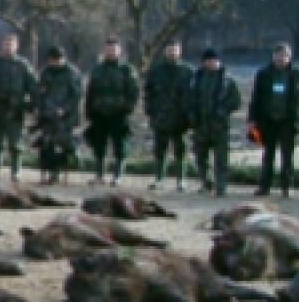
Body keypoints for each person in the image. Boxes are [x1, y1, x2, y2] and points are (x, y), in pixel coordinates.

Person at [248, 42, 299, 198]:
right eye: (278, 55)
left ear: (290, 57)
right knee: (268, 155)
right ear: (273, 56)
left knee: (287, 156)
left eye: (284, 55)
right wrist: (252, 118)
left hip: (288, 121)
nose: (281, 58)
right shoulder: (263, 74)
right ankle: (264, 187)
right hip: (268, 121)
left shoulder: (298, 75)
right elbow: (256, 97)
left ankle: (286, 187)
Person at [0, 33, 38, 180]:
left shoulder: (23, 65)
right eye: (6, 44)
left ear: (16, 46)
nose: (8, 47)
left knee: (15, 144)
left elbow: (33, 88)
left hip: (15, 110)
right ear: (2, 46)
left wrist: (33, 106)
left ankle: (16, 172)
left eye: (11, 44)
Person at [84, 38, 140, 186]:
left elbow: (134, 91)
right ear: (104, 51)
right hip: (99, 113)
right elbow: (90, 91)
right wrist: (88, 111)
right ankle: (99, 175)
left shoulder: (127, 69)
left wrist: (128, 108)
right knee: (99, 146)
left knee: (120, 146)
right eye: (108, 49)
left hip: (119, 113)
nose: (111, 52)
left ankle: (118, 176)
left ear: (119, 51)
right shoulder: (97, 69)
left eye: (114, 49)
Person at [187, 49, 241, 197]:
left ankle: (221, 186)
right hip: (201, 124)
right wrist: (191, 114)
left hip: (219, 125)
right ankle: (206, 183)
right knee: (200, 157)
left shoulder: (228, 80)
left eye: (214, 60)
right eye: (208, 60)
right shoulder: (196, 79)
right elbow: (189, 98)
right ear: (204, 62)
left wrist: (223, 110)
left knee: (221, 158)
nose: (211, 63)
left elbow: (236, 101)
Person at [143, 39, 194, 191]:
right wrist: (150, 112)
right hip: (161, 117)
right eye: (170, 50)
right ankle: (159, 179)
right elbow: (148, 93)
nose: (173, 53)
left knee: (181, 150)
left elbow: (193, 95)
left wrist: (190, 115)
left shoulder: (188, 71)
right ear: (165, 51)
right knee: (160, 150)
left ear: (180, 51)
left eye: (175, 50)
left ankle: (181, 181)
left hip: (181, 118)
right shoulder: (156, 70)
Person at [34, 46, 82, 184]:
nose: (55, 62)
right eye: (52, 60)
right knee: (47, 144)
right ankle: (52, 173)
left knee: (64, 144)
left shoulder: (72, 73)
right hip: (48, 115)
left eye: (57, 60)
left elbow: (76, 96)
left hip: (66, 117)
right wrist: (38, 109)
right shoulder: (45, 72)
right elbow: (40, 92)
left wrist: (65, 109)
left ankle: (71, 160)